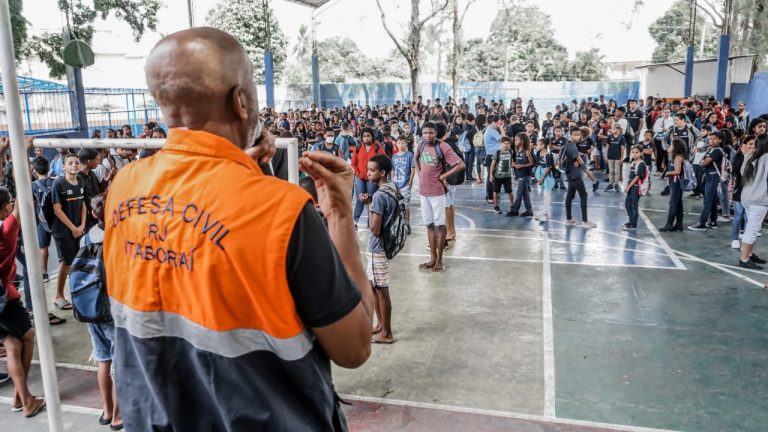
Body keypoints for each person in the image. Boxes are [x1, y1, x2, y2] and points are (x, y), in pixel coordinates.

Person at [104, 27, 373, 431]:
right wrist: (339, 214)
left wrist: (240, 166)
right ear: (241, 101)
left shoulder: (124, 188)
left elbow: (191, 227)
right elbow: (354, 346)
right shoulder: (280, 209)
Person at [0, 187, 46, 418]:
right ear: (5, 208)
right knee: (27, 337)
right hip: (3, 297)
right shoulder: (6, 231)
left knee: (12, 345)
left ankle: (21, 397)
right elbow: (20, 206)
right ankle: (25, 399)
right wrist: (22, 158)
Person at [81, 194, 123, 430]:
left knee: (103, 359)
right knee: (119, 362)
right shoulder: (118, 239)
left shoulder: (87, 237)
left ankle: (107, 411)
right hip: (112, 309)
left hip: (90, 307)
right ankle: (119, 416)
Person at [414, 121, 465, 273]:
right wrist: (419, 173)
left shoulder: (442, 146)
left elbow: (460, 164)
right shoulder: (421, 145)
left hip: (437, 193)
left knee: (440, 226)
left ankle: (440, 260)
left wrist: (443, 176)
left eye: (431, 133)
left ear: (436, 133)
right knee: (429, 225)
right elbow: (415, 159)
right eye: (425, 133)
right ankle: (432, 258)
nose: (428, 135)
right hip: (424, 192)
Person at [362, 154, 398, 344]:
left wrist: (369, 207)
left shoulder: (379, 196)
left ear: (382, 172)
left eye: (372, 170)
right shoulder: (391, 188)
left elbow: (375, 229)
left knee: (381, 290)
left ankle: (387, 332)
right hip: (385, 245)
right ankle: (380, 324)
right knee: (373, 286)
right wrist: (370, 204)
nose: (368, 173)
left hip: (378, 247)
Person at [51, 152, 86, 310]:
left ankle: (79, 293)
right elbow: (57, 210)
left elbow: (83, 205)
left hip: (78, 229)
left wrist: (81, 226)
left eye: (76, 163)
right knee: (66, 263)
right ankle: (59, 296)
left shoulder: (81, 181)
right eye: (70, 163)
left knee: (78, 261)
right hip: (63, 230)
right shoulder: (58, 184)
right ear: (63, 166)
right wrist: (72, 228)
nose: (74, 165)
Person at [737, 135, 768, 271]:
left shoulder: (751, 156)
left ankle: (749, 254)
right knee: (752, 230)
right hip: (759, 199)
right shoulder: (766, 158)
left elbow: (742, 172)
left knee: (752, 228)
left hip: (747, 198)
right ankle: (744, 259)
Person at [689, 131, 725, 231]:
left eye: (715, 139)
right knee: (712, 199)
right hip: (708, 176)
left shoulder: (717, 150)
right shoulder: (710, 149)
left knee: (707, 200)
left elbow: (704, 162)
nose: (712, 141)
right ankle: (713, 221)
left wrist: (703, 162)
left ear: (720, 140)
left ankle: (702, 223)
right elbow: (703, 160)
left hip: (713, 177)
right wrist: (703, 162)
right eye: (711, 138)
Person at [561, 128, 597, 229]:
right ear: (570, 135)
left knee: (570, 196)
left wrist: (577, 159)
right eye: (575, 135)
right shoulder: (572, 147)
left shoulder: (567, 145)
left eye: (578, 135)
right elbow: (581, 162)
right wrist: (579, 159)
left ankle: (569, 219)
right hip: (575, 175)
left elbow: (575, 159)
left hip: (570, 175)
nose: (577, 136)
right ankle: (585, 221)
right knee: (584, 196)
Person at [352, 127, 385, 229]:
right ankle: (355, 221)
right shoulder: (358, 148)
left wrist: (375, 174)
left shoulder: (377, 148)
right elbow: (353, 164)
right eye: (364, 136)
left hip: (373, 178)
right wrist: (358, 173)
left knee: (371, 199)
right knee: (360, 199)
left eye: (368, 136)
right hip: (360, 178)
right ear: (362, 138)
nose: (366, 138)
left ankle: (370, 221)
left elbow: (383, 161)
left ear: (372, 136)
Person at [730, 135, 754, 249]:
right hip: (740, 190)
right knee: (738, 215)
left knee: (748, 217)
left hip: (752, 192)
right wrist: (745, 156)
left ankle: (745, 238)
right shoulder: (738, 157)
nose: (752, 146)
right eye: (750, 144)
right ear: (744, 145)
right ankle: (735, 239)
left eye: (755, 144)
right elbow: (736, 171)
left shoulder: (759, 158)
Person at [660, 139, 687, 232]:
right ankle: (679, 224)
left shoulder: (678, 157)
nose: (669, 147)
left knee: (673, 203)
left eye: (671, 145)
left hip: (676, 182)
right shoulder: (676, 156)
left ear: (675, 147)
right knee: (678, 203)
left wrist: (668, 173)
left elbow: (677, 171)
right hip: (676, 182)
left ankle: (669, 224)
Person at [391, 137, 414, 228]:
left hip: (405, 184)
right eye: (399, 143)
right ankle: (398, 223)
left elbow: (412, 169)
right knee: (396, 205)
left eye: (403, 143)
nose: (401, 145)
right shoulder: (394, 156)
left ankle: (407, 223)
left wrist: (411, 181)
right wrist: (393, 181)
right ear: (396, 145)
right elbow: (393, 169)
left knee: (406, 205)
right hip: (396, 185)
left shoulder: (409, 155)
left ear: (406, 144)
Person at [510, 133, 535, 217]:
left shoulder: (527, 151)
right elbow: (520, 162)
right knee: (525, 194)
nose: (515, 142)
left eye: (517, 140)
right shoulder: (518, 151)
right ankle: (529, 210)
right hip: (520, 175)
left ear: (522, 141)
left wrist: (521, 166)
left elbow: (532, 163)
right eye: (515, 140)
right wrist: (514, 164)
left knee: (519, 193)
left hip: (525, 176)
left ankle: (515, 210)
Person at [623, 145, 647, 231]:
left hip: (636, 188)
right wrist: (627, 185)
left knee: (633, 205)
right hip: (631, 187)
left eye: (637, 152)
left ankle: (634, 224)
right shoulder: (633, 163)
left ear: (641, 153)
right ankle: (631, 221)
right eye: (633, 152)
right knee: (627, 204)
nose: (635, 154)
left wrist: (628, 187)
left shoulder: (641, 164)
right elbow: (630, 176)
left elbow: (637, 177)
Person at [489, 137, 515, 215]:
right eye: (504, 143)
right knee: (496, 191)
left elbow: (512, 162)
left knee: (509, 191)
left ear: (509, 144)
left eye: (507, 143)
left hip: (507, 176)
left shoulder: (511, 152)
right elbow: (492, 165)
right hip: (498, 176)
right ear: (501, 144)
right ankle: (495, 206)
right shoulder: (497, 153)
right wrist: (490, 175)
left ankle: (512, 205)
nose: (505, 145)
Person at [534, 139, 555, 222]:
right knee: (544, 195)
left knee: (547, 195)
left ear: (543, 146)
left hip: (547, 176)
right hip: (542, 175)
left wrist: (542, 178)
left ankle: (546, 214)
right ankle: (545, 212)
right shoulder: (539, 153)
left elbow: (549, 168)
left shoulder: (548, 155)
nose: (536, 146)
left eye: (538, 145)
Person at [604, 123, 625, 192]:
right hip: (610, 157)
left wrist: (622, 158)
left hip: (617, 157)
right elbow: (607, 147)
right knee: (611, 171)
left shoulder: (621, 138)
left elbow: (622, 149)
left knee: (617, 171)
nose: (611, 130)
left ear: (618, 129)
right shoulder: (610, 137)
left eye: (613, 129)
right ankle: (610, 184)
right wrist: (606, 156)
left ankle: (616, 184)